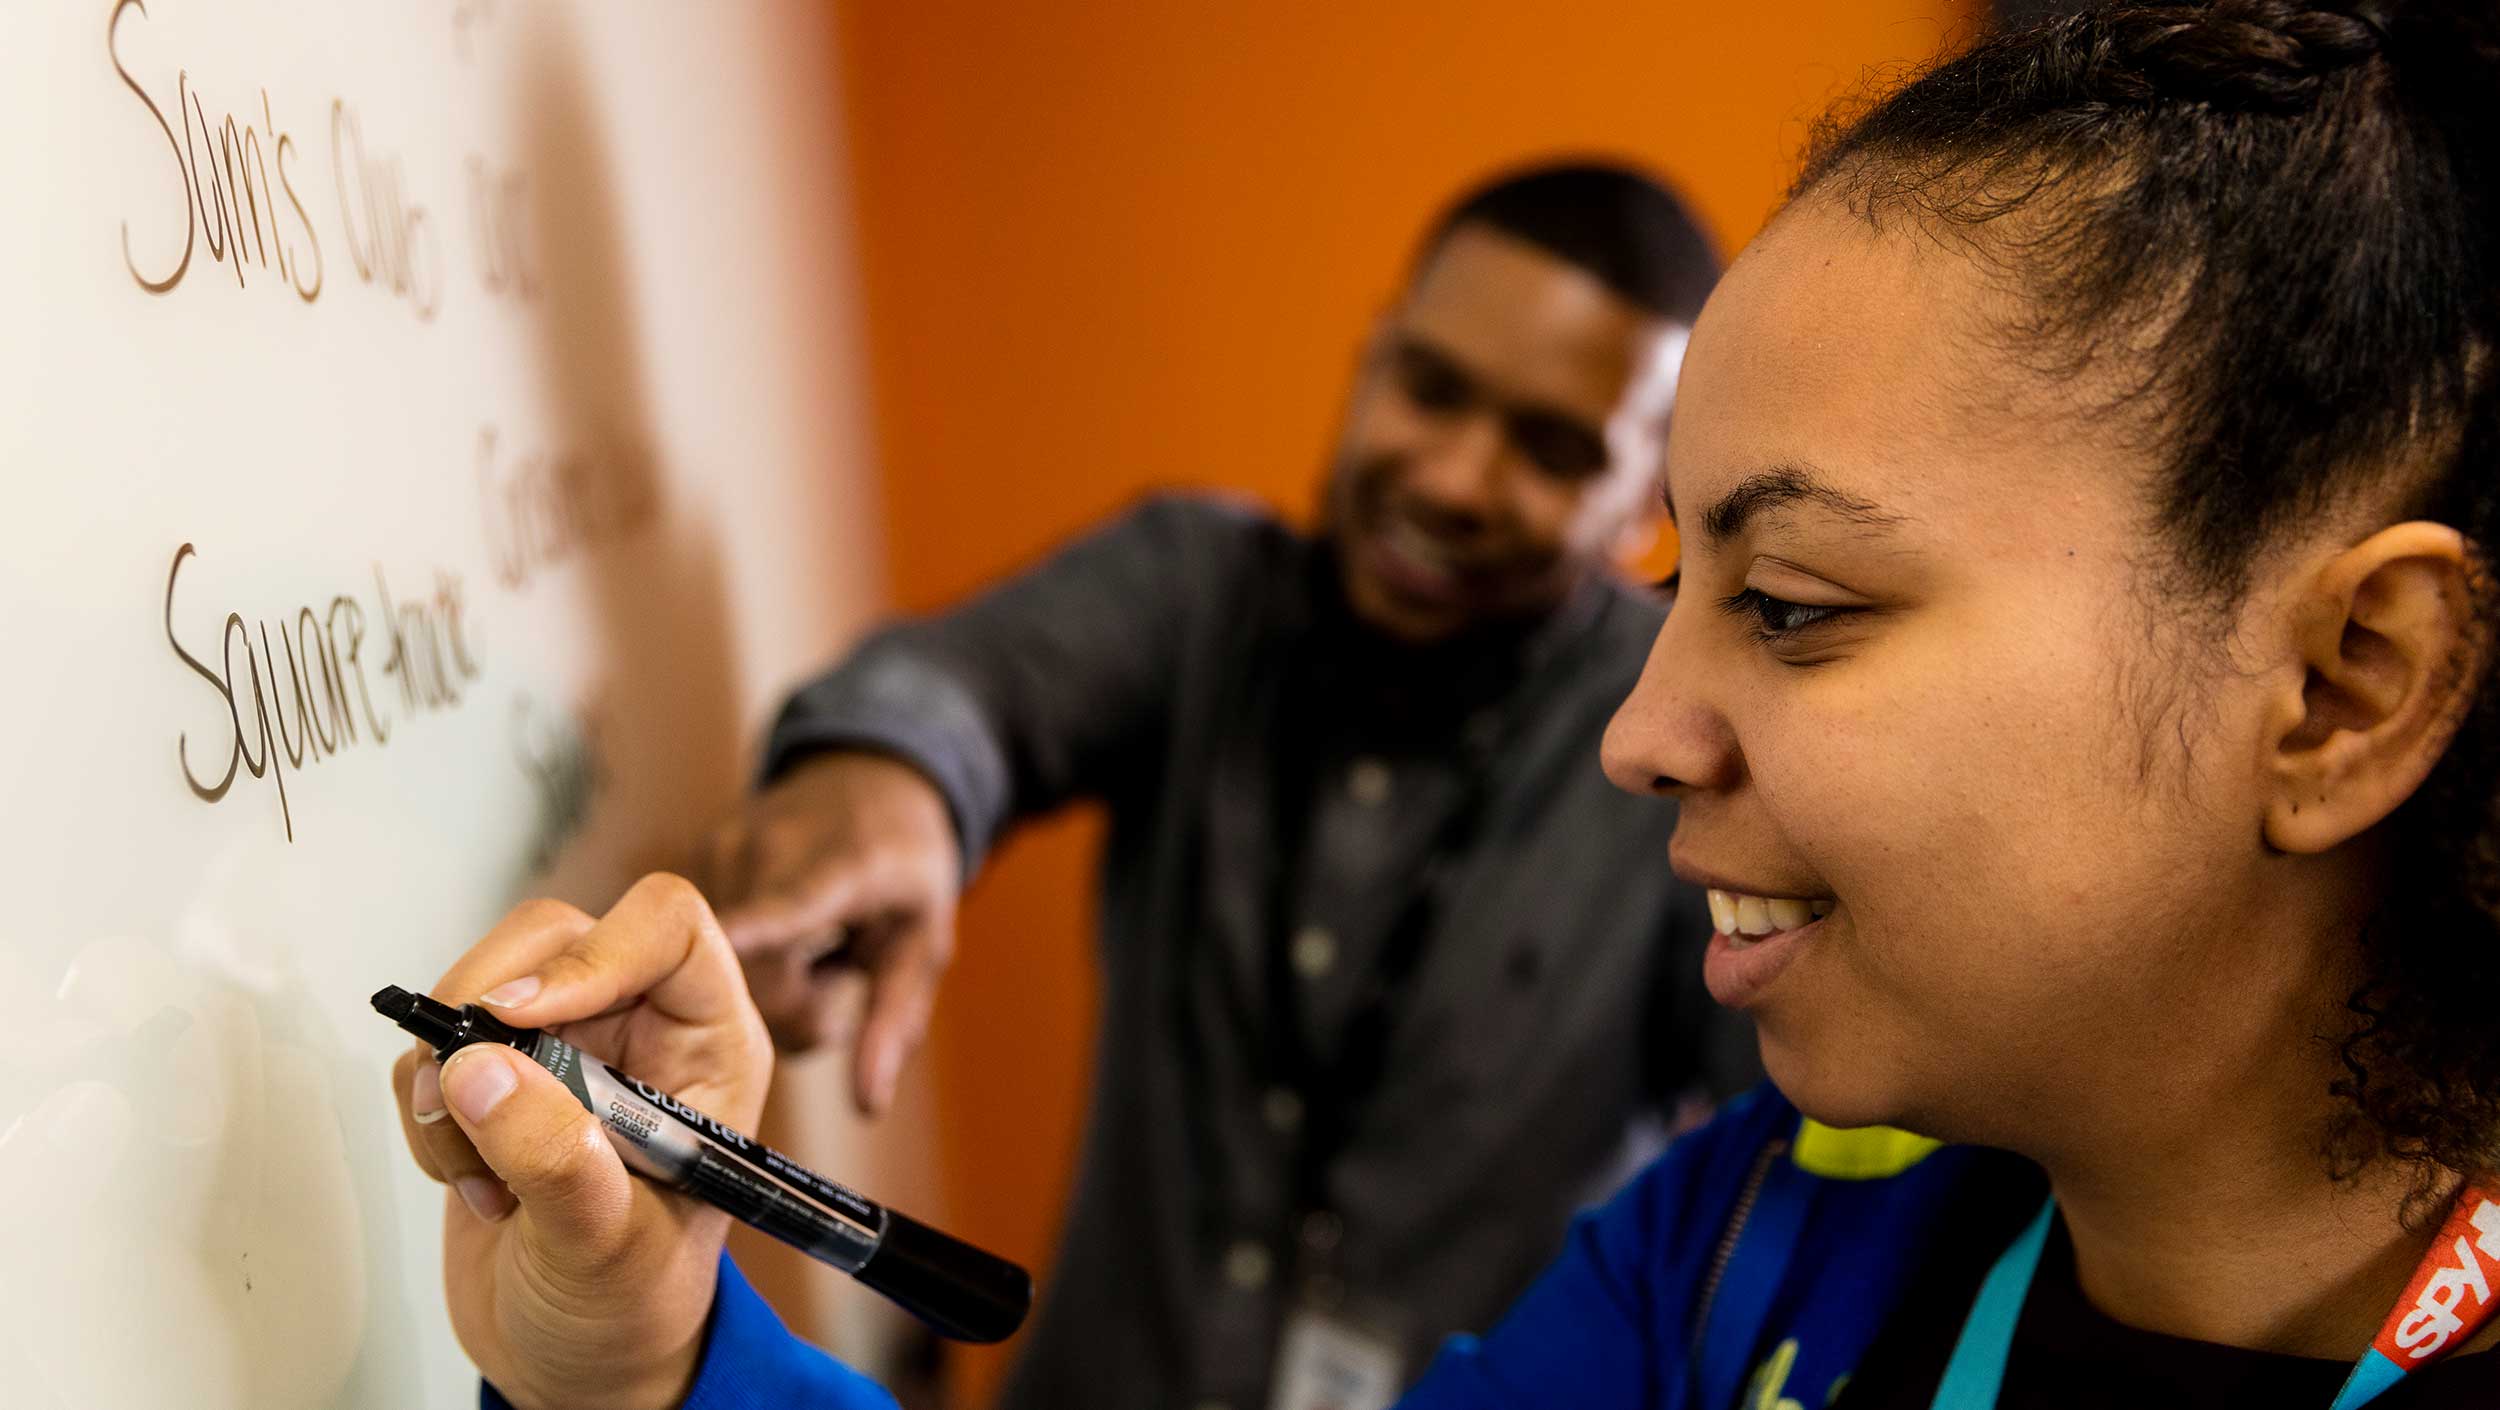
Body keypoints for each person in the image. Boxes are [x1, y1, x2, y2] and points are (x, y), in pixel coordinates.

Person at [389, 0, 2500, 1406]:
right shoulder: (1743, 1260)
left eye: (1788, 603)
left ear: (2337, 692)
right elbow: (958, 689)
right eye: (1687, 591)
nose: (1642, 738)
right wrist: (650, 1343)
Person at [685, 160, 1749, 1408]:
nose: (1457, 479)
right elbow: (967, 687)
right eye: (1430, 388)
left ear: (1646, 504)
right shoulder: (1196, 594)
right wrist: (884, 784)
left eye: (1553, 450)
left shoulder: (1683, 739)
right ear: (1373, 357)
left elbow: (1794, 1151)